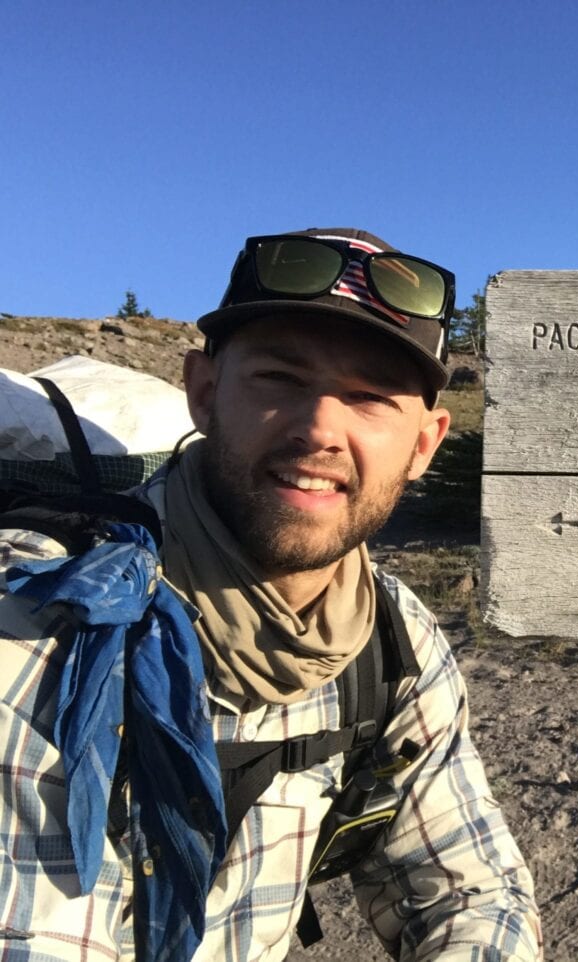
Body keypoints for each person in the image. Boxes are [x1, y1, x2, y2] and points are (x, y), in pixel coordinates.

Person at [0, 229, 542, 961]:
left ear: (424, 445)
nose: (320, 428)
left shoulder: (391, 637)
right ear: (203, 391)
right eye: (281, 380)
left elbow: (472, 891)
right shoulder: (41, 620)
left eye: (370, 398)